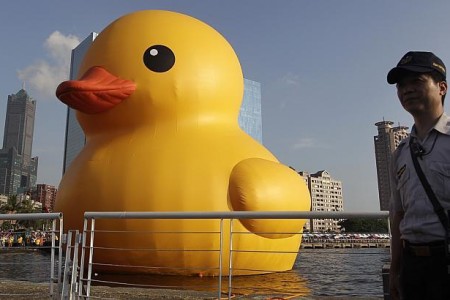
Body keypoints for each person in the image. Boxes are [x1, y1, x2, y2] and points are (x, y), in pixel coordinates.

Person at [387, 51, 450, 300]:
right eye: (402, 85)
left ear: (441, 87)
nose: (407, 89)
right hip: (412, 266)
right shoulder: (400, 153)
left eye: (417, 81)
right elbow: (398, 214)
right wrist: (395, 269)